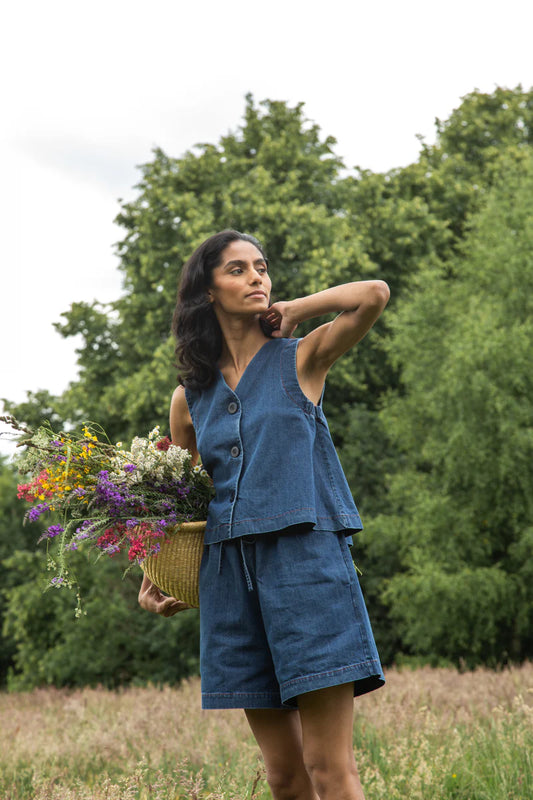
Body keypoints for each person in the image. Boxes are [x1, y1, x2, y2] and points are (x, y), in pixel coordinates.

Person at [139, 229, 390, 800]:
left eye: (262, 267)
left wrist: (296, 308)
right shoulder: (189, 398)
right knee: (284, 775)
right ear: (207, 292)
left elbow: (373, 293)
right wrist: (156, 573)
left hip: (307, 565)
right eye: (237, 269)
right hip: (229, 579)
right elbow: (182, 504)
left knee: (329, 767)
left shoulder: (302, 357)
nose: (257, 277)